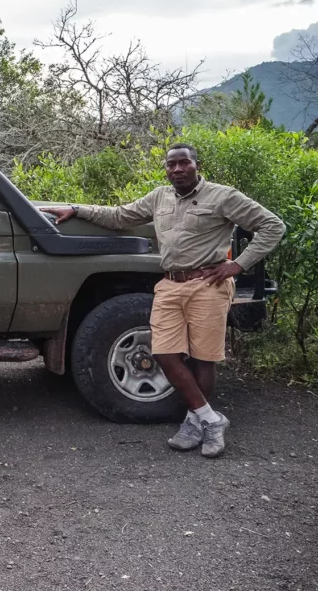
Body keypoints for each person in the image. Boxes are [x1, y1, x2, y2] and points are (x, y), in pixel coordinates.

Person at [41, 143, 284, 458]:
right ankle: (211, 418)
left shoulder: (223, 196)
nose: (178, 169)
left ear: (197, 165)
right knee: (165, 353)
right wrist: (76, 210)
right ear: (166, 169)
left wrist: (237, 265)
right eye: (172, 164)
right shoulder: (159, 197)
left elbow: (272, 226)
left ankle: (194, 423)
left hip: (207, 284)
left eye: (184, 163)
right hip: (170, 284)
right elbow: (119, 216)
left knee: (202, 358)